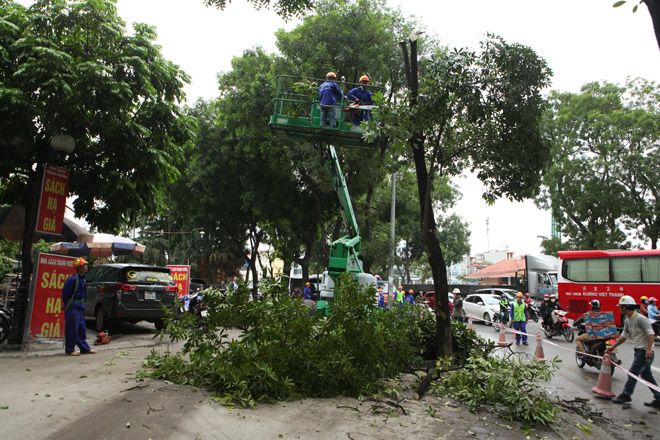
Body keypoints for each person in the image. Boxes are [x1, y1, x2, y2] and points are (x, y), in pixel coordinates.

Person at [606, 296, 660, 407]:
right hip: (639, 351)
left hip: (644, 352)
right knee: (647, 376)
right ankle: (659, 397)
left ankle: (626, 394)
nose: (620, 309)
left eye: (621, 307)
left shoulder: (641, 319)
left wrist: (649, 349)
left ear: (625, 307)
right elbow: (623, 336)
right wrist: (612, 347)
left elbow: (651, 334)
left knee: (632, 373)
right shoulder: (627, 320)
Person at [61, 257, 95, 356]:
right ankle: (70, 349)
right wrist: (67, 304)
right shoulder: (72, 280)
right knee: (72, 329)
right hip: (73, 307)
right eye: (85, 265)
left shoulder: (83, 279)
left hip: (80, 307)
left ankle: (84, 348)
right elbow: (65, 294)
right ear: (79, 267)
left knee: (81, 329)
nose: (86, 267)